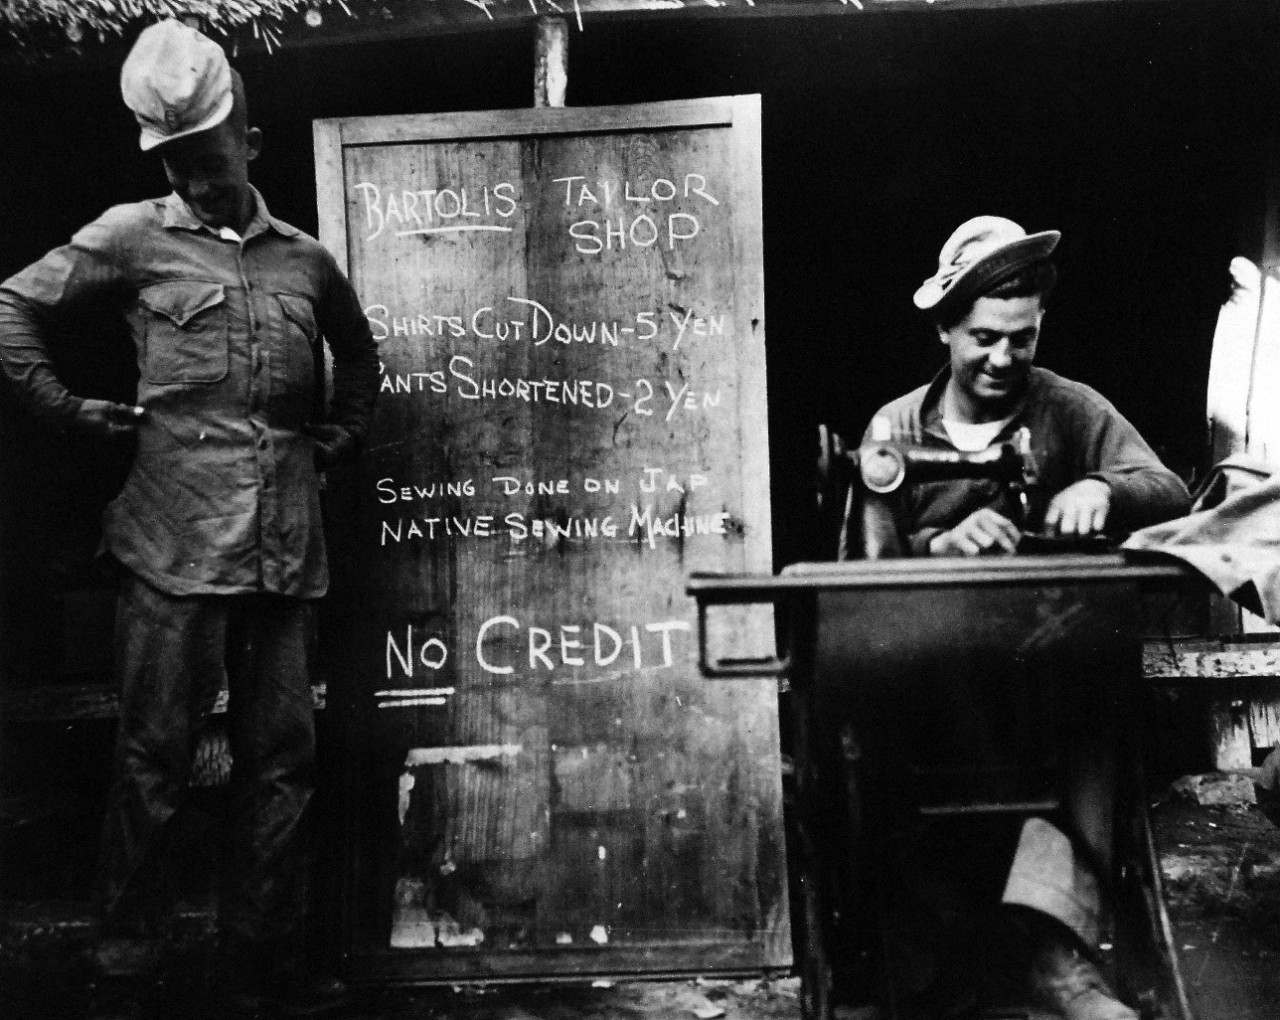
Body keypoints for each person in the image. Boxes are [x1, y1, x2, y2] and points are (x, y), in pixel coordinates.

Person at [0, 20, 379, 1019]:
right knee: (151, 763)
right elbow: (12, 307)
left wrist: (333, 441)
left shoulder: (307, 265)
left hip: (286, 552)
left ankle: (265, 968)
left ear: (248, 143)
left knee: (282, 770)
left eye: (209, 156)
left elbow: (362, 362)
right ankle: (129, 967)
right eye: (177, 160)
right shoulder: (128, 236)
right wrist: (73, 412)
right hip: (170, 551)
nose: (198, 177)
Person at [844, 216, 1190, 1020]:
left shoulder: (1069, 409)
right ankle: (910, 958)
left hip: (1043, 654)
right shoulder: (893, 430)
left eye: (1022, 340)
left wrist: (1106, 489)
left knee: (1093, 710)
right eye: (983, 339)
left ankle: (1055, 955)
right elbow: (863, 576)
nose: (1003, 360)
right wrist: (938, 545)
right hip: (929, 661)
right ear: (944, 328)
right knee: (865, 727)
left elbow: (1166, 487)